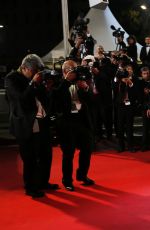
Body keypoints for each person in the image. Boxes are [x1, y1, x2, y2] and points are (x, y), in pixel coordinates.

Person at [5, 54, 59, 198]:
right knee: (30, 158)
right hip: (26, 124)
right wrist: (32, 84)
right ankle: (31, 187)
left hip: (42, 121)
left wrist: (47, 89)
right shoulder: (11, 79)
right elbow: (20, 101)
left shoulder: (37, 79)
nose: (37, 74)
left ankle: (43, 182)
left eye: (38, 71)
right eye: (34, 70)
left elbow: (45, 100)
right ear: (24, 68)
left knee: (46, 155)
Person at [55, 59, 95, 191]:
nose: (76, 72)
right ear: (65, 71)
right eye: (73, 69)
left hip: (82, 121)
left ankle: (82, 175)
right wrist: (66, 81)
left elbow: (90, 100)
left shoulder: (80, 81)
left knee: (87, 149)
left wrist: (86, 88)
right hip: (66, 123)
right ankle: (67, 180)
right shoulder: (58, 83)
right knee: (68, 153)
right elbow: (56, 99)